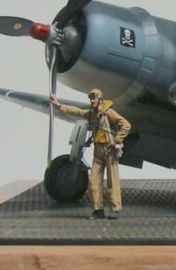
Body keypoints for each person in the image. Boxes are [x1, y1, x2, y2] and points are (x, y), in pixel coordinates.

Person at [50, 88, 131, 220]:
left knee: (113, 181)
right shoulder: (92, 114)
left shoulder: (109, 112)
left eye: (94, 98)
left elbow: (126, 125)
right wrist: (59, 105)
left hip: (109, 150)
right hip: (98, 151)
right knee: (93, 181)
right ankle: (98, 210)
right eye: (91, 98)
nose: (92, 101)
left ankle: (115, 209)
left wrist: (116, 140)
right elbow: (77, 111)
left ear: (99, 99)